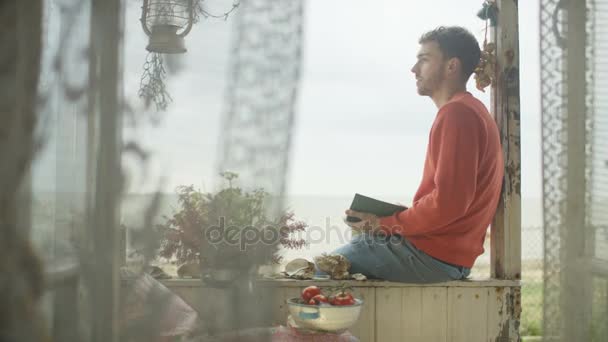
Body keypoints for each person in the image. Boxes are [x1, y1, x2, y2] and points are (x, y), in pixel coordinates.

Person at [336, 26, 504, 283]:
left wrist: (385, 223)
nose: (414, 69)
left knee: (319, 272)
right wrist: (394, 219)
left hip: (432, 258)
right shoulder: (472, 111)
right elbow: (454, 201)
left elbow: (450, 203)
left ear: (452, 66)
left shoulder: (457, 114)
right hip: (446, 256)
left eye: (424, 59)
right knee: (358, 244)